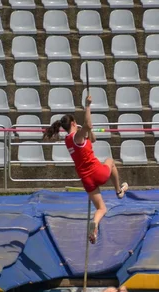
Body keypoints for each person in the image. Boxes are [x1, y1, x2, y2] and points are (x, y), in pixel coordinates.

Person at [44, 96, 129, 244]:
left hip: (87, 180)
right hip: (97, 172)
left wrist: (89, 129)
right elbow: (87, 126)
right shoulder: (76, 136)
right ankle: (118, 191)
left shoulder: (68, 140)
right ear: (73, 123)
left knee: (101, 209)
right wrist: (87, 106)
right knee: (110, 161)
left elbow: (92, 139)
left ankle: (94, 225)